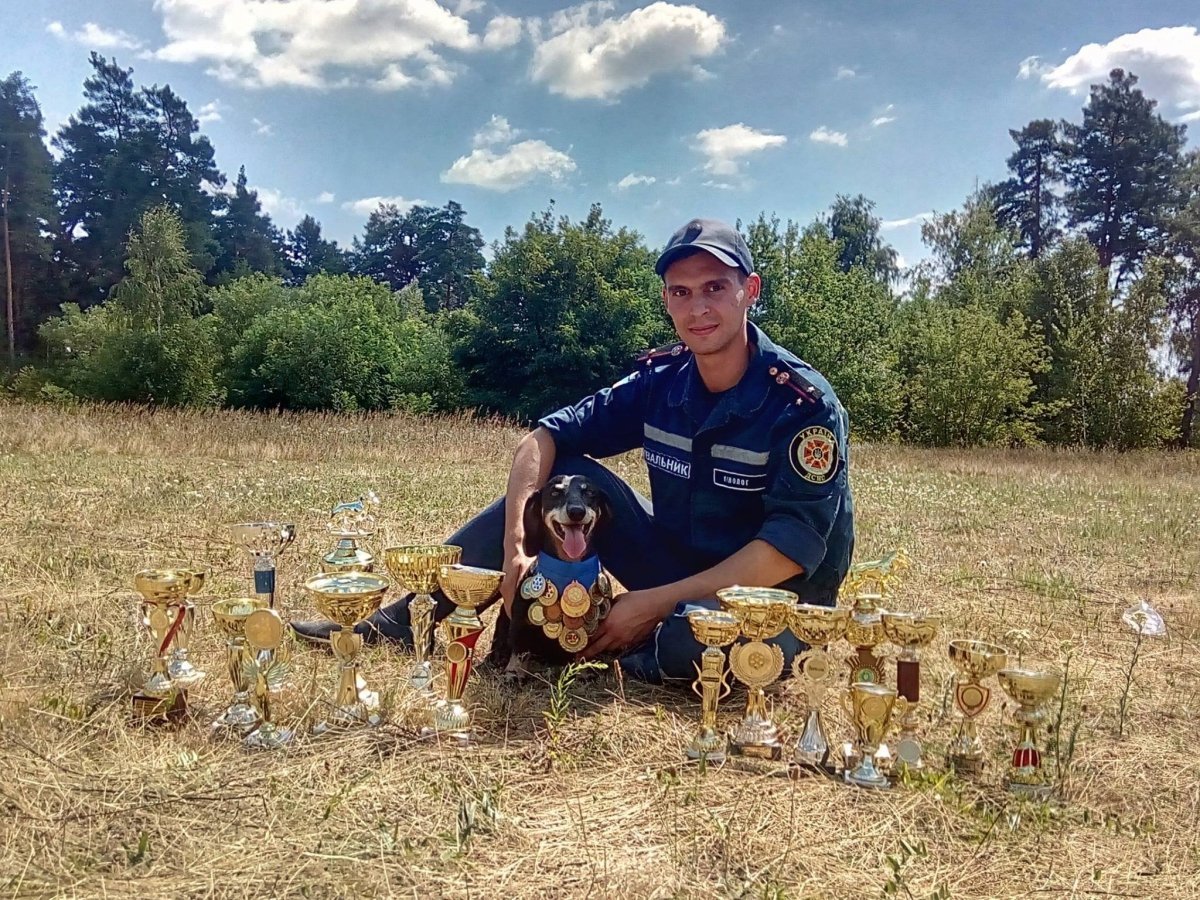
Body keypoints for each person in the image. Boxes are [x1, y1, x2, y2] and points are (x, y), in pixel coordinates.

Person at [291, 218, 855, 683]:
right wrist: (516, 550)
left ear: (750, 291)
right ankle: (401, 620)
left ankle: (630, 648)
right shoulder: (661, 380)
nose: (697, 309)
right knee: (560, 475)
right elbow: (542, 440)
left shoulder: (802, 405)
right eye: (681, 293)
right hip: (679, 565)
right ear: (666, 300)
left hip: (770, 595)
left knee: (699, 642)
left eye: (714, 288)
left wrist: (655, 603)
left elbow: (785, 552)